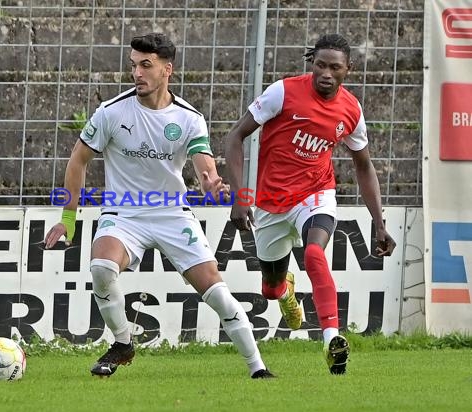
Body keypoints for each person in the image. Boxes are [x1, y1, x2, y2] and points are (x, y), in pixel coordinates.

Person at [44, 32, 273, 379]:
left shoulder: (188, 118)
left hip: (171, 213)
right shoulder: (111, 112)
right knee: (102, 269)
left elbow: (203, 163)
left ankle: (258, 368)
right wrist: (67, 219)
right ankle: (122, 344)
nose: (137, 73)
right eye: (133, 65)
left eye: (145, 65)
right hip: (123, 213)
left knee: (217, 294)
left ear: (168, 70)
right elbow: (78, 161)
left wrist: (211, 183)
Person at [224, 33, 396, 375]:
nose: (326, 73)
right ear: (311, 64)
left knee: (315, 253)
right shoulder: (283, 92)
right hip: (271, 202)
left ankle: (332, 339)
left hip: (315, 193)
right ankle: (284, 290)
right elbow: (235, 136)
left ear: (349, 69)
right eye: (320, 65)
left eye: (335, 67)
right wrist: (241, 197)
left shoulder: (351, 109)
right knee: (270, 289)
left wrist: (379, 223)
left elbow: (364, 166)